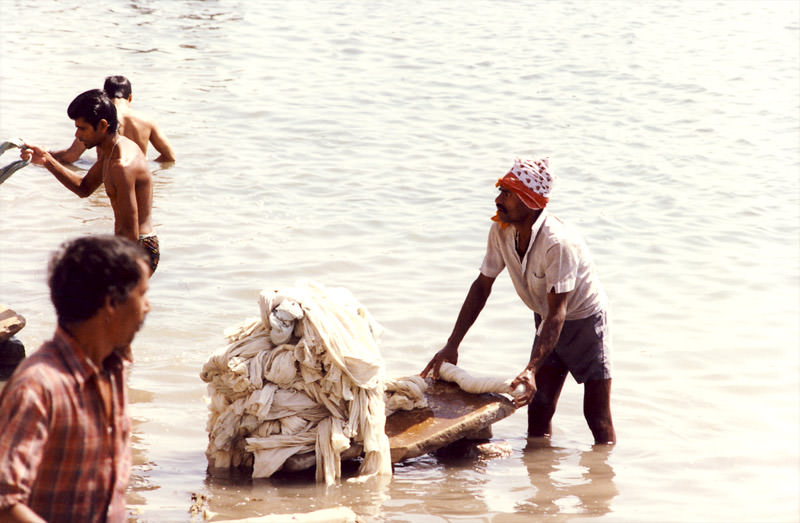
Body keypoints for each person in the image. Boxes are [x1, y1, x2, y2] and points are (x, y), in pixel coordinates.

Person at [421, 158, 616, 444]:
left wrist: (531, 367)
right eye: (500, 191)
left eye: (508, 194)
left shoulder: (558, 243)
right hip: (546, 317)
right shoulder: (501, 230)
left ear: (531, 202)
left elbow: (558, 313)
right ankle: (539, 478)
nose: (498, 199)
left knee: (596, 416)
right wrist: (452, 344)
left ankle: (603, 480)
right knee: (538, 406)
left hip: (584, 321)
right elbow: (481, 286)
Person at [0, 235, 151, 522]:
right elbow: (4, 503)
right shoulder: (39, 386)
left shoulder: (114, 368)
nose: (147, 307)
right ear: (111, 304)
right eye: (142, 294)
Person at [21, 89, 160, 273]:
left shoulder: (121, 165)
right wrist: (47, 160)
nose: (77, 135)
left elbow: (129, 233)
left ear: (103, 125)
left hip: (138, 249)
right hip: (130, 245)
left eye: (82, 128)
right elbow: (84, 188)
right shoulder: (111, 150)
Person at [51, 75, 176, 163]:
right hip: (136, 176)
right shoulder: (148, 121)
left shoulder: (101, 117)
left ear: (104, 96)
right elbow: (170, 157)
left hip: (106, 177)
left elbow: (71, 156)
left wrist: (46, 153)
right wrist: (144, 167)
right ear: (130, 98)